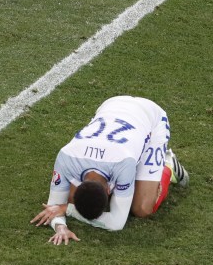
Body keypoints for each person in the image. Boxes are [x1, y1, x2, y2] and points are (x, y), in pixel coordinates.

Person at [30, 95, 190, 243]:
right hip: (111, 106)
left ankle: (167, 164)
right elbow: (53, 207)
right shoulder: (66, 157)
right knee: (72, 198)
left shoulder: (123, 163)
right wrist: (61, 227)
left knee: (141, 209)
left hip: (151, 118)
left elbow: (116, 223)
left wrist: (67, 209)